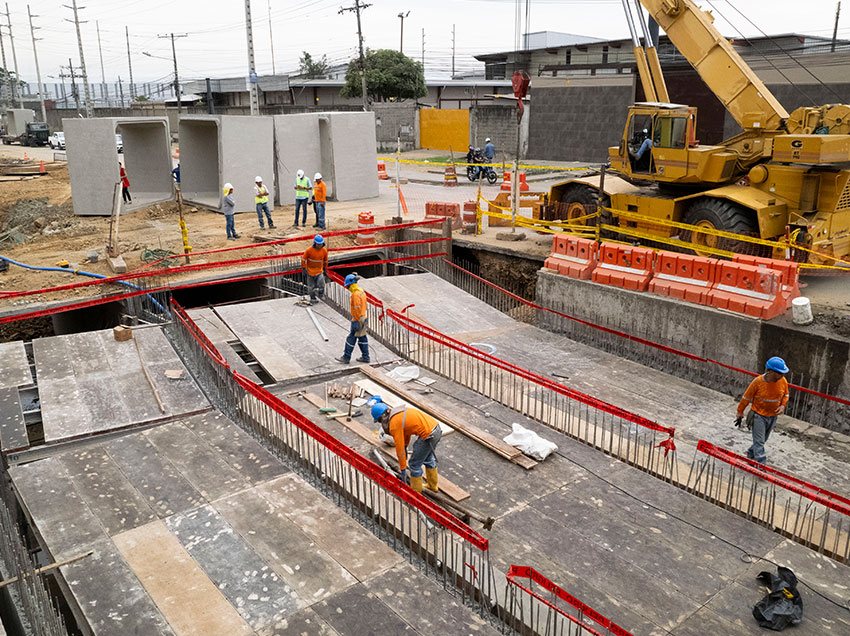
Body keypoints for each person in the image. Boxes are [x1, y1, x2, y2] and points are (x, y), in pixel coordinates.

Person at [371, 398, 441, 493]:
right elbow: (406, 432)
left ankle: (416, 493)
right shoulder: (397, 414)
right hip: (436, 429)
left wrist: (403, 469)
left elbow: (399, 449)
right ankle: (433, 486)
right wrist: (405, 445)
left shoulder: (394, 424)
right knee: (428, 459)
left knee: (414, 464)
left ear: (381, 418)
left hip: (428, 436)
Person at [736, 357, 790, 464]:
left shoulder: (783, 381)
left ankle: (751, 453)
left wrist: (783, 405)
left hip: (772, 416)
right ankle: (761, 463)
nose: (782, 375)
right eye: (779, 373)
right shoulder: (757, 382)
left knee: (763, 439)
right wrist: (740, 411)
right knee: (760, 442)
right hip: (758, 415)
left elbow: (786, 394)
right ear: (770, 371)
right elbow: (746, 398)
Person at [336, 273, 370, 364]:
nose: (348, 288)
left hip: (358, 319)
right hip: (364, 317)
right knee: (362, 338)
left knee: (351, 338)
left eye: (348, 287)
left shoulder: (355, 295)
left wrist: (356, 322)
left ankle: (346, 357)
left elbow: (357, 309)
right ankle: (366, 357)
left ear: (350, 284)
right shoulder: (361, 291)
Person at [301, 234, 328, 303]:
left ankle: (321, 294)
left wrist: (325, 269)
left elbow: (325, 261)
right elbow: (303, 259)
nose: (319, 246)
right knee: (311, 287)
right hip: (310, 272)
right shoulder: (309, 250)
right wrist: (304, 269)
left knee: (321, 284)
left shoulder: (324, 251)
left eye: (321, 244)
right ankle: (313, 298)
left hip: (319, 271)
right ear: (315, 243)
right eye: (318, 244)